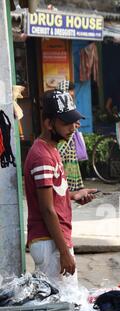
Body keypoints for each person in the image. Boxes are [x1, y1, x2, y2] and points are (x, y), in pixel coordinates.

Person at [24, 90, 97, 286]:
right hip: (49, 243)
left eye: (74, 121)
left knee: (64, 303)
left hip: (53, 242)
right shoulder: (43, 156)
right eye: (67, 122)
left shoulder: (51, 150)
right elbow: (47, 209)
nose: (75, 126)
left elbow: (52, 196)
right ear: (49, 124)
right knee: (63, 306)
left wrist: (73, 195)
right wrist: (64, 252)